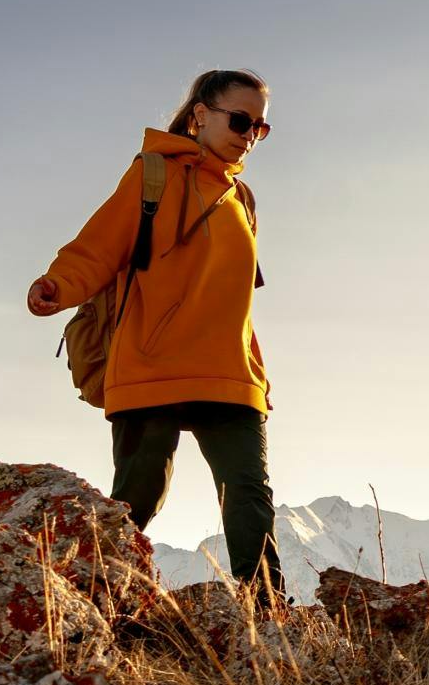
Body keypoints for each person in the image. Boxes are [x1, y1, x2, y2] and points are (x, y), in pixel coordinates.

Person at [26, 68, 282, 596]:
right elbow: (99, 248)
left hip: (229, 372)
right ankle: (90, 601)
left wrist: (256, 370)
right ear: (200, 115)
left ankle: (267, 618)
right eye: (241, 121)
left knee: (250, 497)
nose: (250, 136)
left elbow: (235, 301)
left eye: (260, 128)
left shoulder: (242, 198)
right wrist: (58, 285)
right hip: (151, 360)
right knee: (137, 499)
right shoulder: (153, 174)